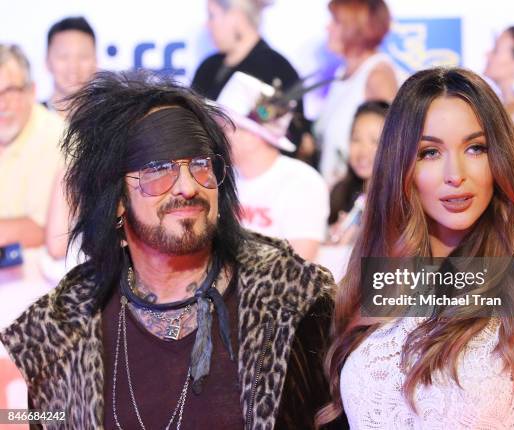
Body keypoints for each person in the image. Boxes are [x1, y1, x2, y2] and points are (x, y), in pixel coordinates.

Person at [0, 71, 343, 429]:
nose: (187, 186)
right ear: (117, 199)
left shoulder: (292, 298)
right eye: (158, 169)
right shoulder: (64, 325)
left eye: (200, 166)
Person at [317, 67, 514, 428]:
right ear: (401, 166)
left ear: (500, 159)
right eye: (430, 152)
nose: (455, 173)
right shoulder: (376, 281)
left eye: (476, 148)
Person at [218, 71, 329, 261]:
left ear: (253, 136)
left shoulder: (302, 183)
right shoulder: (220, 178)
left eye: (225, 129)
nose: (218, 137)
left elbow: (300, 265)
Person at [192, 0, 306, 146]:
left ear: (236, 16)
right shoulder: (208, 68)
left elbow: (292, 136)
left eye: (212, 15)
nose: (207, 24)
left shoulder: (278, 69)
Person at [314, 0, 398, 184]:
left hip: (359, 199)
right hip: (336, 195)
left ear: (355, 28)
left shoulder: (377, 75)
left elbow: (393, 149)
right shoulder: (342, 73)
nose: (328, 28)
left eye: (336, 22)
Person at [0, 44, 64, 248]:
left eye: (9, 91)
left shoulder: (55, 137)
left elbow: (39, 231)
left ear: (31, 92)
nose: (2, 105)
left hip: (38, 275)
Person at [328, 100, 388, 244]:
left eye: (375, 141)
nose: (363, 152)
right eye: (356, 139)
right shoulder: (339, 194)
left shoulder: (403, 204)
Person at [45, 16, 98, 117]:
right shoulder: (28, 119)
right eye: (63, 56)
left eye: (83, 56)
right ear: (47, 61)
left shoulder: (110, 123)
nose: (73, 67)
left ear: (96, 62)